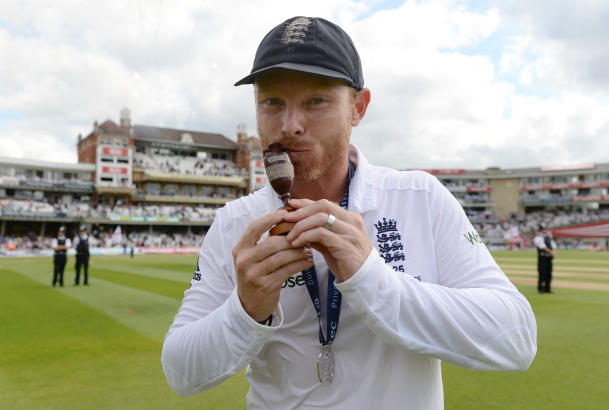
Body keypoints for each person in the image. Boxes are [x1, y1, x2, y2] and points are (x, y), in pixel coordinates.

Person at [161, 16, 537, 409]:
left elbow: (516, 338)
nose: (290, 126)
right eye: (272, 102)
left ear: (358, 107)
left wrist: (371, 278)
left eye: (316, 101)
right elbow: (180, 372)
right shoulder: (237, 222)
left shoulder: (419, 197)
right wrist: (244, 311)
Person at [533, 224, 557, 293]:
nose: (545, 230)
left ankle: (547, 288)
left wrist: (553, 252)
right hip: (542, 258)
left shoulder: (548, 237)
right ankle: (541, 288)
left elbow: (554, 245)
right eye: (544, 229)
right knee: (542, 274)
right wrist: (551, 252)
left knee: (549, 274)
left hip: (549, 258)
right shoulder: (538, 238)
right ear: (540, 230)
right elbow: (542, 247)